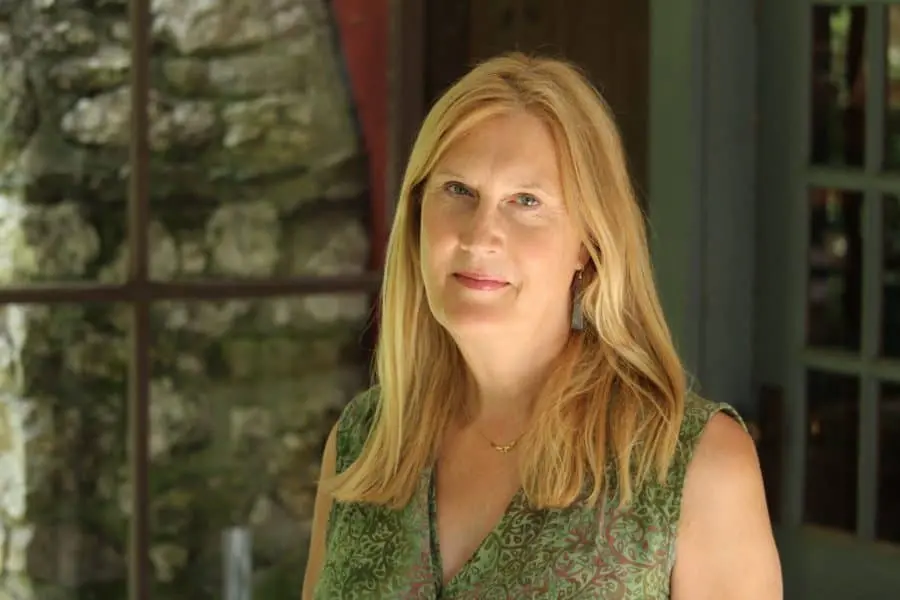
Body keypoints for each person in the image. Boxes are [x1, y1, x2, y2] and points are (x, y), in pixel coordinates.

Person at [302, 52, 782, 599]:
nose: (481, 236)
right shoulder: (364, 442)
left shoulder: (695, 465)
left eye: (526, 201)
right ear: (416, 217)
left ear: (589, 243)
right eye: (458, 191)